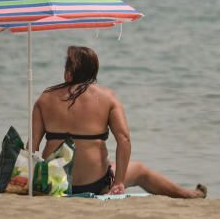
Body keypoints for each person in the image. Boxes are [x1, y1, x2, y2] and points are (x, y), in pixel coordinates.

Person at [31, 45, 207, 198]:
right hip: (94, 183)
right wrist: (119, 182)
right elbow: (124, 140)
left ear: (68, 73)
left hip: (53, 181)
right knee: (140, 170)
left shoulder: (45, 99)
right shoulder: (108, 97)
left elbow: (32, 146)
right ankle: (188, 195)